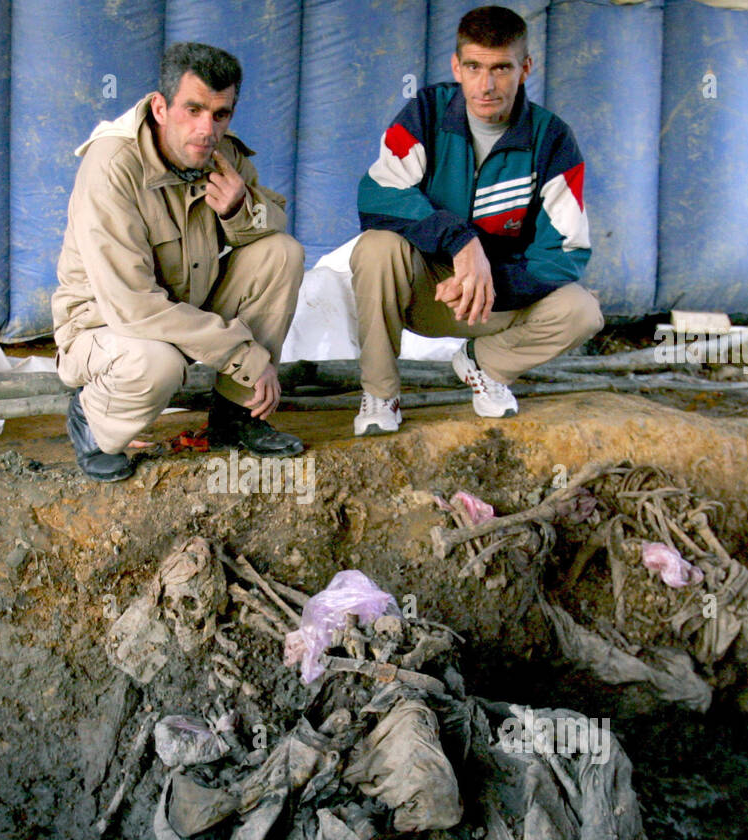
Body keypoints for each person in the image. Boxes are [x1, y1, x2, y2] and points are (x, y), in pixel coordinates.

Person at [52, 42, 305, 482]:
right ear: (161, 107)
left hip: (185, 309)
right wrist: (244, 353)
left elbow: (278, 218)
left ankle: (235, 415)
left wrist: (239, 209)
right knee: (158, 364)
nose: (206, 129)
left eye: (220, 114)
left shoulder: (222, 152)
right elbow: (133, 306)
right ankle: (92, 419)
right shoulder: (113, 167)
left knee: (281, 253)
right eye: (193, 109)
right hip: (105, 325)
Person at [350, 5, 604, 436]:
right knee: (376, 247)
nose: (486, 85)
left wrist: (487, 282)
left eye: (501, 68)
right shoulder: (427, 112)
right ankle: (381, 393)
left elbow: (566, 252)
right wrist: (460, 241)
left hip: (495, 299)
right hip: (428, 290)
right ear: (457, 66)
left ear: (525, 68)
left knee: (582, 311)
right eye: (474, 67)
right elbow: (377, 195)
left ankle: (484, 364)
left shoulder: (552, 138)